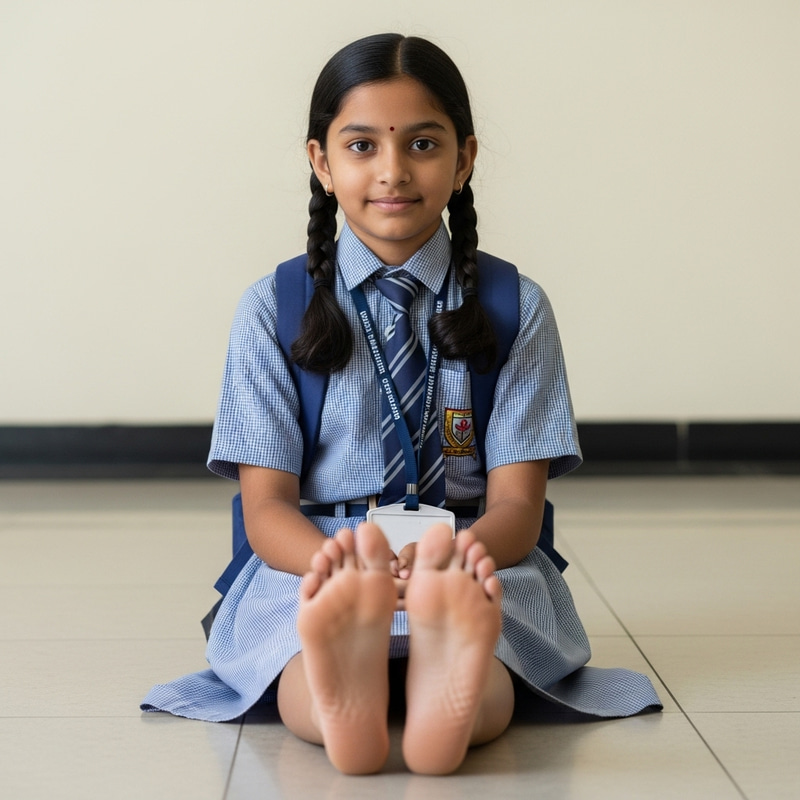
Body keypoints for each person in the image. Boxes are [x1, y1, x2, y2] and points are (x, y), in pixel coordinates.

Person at [141, 32, 661, 775]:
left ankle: (443, 700)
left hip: (468, 562)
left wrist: (451, 562)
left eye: (422, 143)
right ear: (320, 161)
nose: (392, 171)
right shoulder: (271, 310)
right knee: (301, 678)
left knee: (488, 680)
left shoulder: (517, 308)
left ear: (465, 159)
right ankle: (343, 692)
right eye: (361, 146)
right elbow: (266, 515)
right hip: (316, 568)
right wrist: (343, 572)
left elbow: (516, 507)